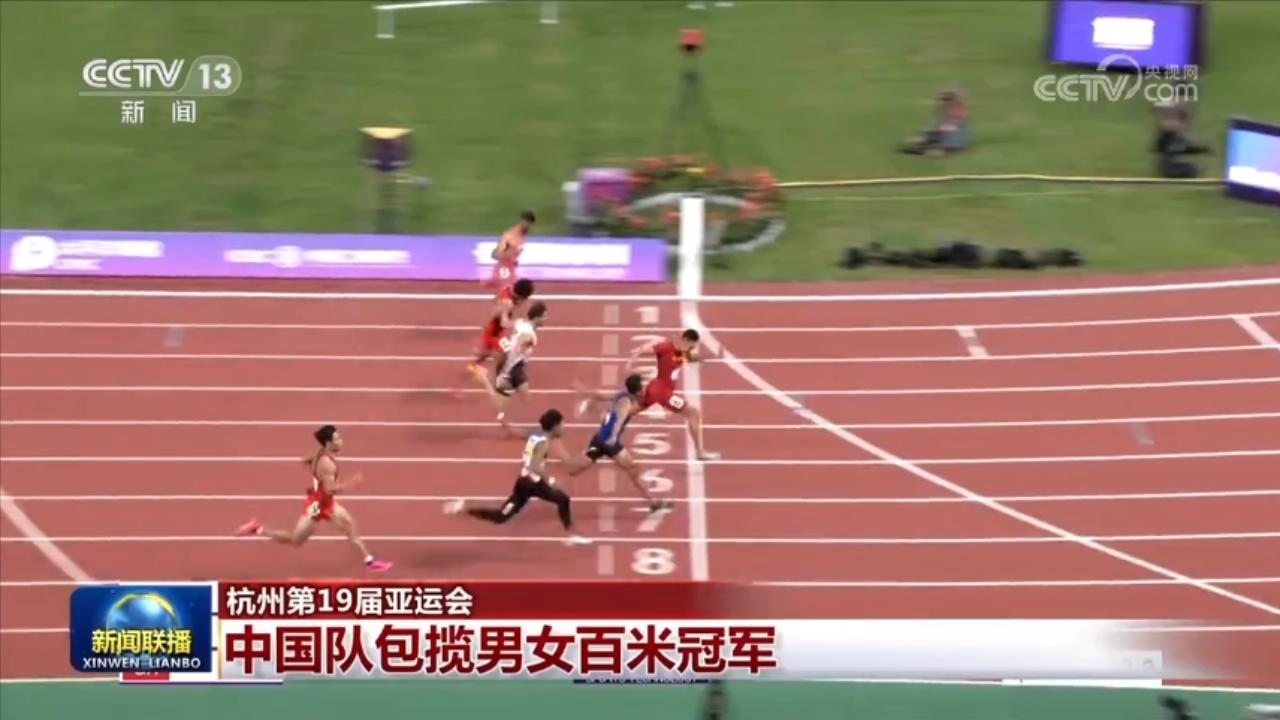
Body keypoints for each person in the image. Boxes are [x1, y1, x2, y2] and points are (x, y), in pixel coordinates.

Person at [234, 425, 393, 572]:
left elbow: (305, 461)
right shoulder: (327, 464)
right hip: (318, 507)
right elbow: (330, 490)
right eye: (337, 439)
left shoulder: (320, 452)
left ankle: (370, 561)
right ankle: (258, 529)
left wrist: (316, 472)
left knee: (349, 526)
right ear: (329, 443)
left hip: (325, 503)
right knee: (295, 540)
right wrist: (351, 483)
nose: (341, 441)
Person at [443, 409, 591, 546]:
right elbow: (535, 467)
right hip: (533, 483)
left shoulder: (536, 433)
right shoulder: (544, 443)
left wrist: (505, 423)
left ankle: (465, 507)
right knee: (563, 499)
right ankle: (572, 534)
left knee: (501, 516)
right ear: (554, 427)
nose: (564, 427)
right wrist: (550, 481)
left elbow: (517, 432)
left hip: (523, 482)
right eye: (562, 424)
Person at [571, 373, 673, 513]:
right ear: (637, 391)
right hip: (610, 443)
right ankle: (652, 502)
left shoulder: (622, 393)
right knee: (633, 467)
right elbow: (619, 420)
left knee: (574, 470)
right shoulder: (626, 403)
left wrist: (585, 392)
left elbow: (602, 395)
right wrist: (613, 438)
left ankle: (652, 502)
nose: (643, 389)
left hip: (600, 439)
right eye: (642, 387)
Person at [622, 328, 720, 461]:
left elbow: (689, 358)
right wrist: (631, 360)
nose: (691, 349)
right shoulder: (667, 347)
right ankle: (700, 452)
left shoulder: (680, 353)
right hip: (663, 393)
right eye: (691, 346)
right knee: (693, 413)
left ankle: (606, 420)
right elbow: (646, 349)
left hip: (656, 389)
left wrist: (709, 357)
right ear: (685, 340)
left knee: (629, 411)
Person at [462, 278, 535, 390]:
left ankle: (469, 373)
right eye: (525, 298)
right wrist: (520, 322)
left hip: (495, 329)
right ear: (521, 296)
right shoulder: (508, 303)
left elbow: (496, 298)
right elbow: (504, 322)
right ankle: (497, 380)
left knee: (483, 357)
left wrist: (498, 308)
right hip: (494, 332)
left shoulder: (508, 289)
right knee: (504, 354)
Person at [488, 301, 548, 434]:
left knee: (508, 398)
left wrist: (504, 310)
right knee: (524, 398)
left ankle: (507, 421)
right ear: (537, 317)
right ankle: (532, 426)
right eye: (544, 316)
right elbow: (522, 339)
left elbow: (504, 323)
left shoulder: (521, 322)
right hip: (514, 367)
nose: (546, 319)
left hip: (511, 365)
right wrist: (518, 347)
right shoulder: (530, 334)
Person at [488, 210, 535, 288]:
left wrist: (513, 258)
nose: (527, 225)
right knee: (508, 290)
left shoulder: (522, 234)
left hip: (510, 267)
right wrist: (503, 252)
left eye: (529, 223)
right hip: (504, 267)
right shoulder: (510, 235)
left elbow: (516, 250)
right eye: (526, 222)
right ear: (521, 221)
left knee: (512, 290)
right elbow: (496, 255)